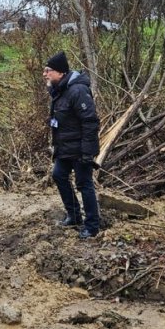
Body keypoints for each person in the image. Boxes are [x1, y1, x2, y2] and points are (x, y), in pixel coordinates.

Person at [45, 50, 103, 239]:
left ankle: (92, 226)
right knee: (58, 175)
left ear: (60, 72)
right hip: (65, 148)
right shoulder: (58, 90)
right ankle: (74, 216)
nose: (45, 74)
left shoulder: (77, 91)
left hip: (80, 149)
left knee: (84, 183)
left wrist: (88, 152)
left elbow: (90, 122)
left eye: (48, 71)